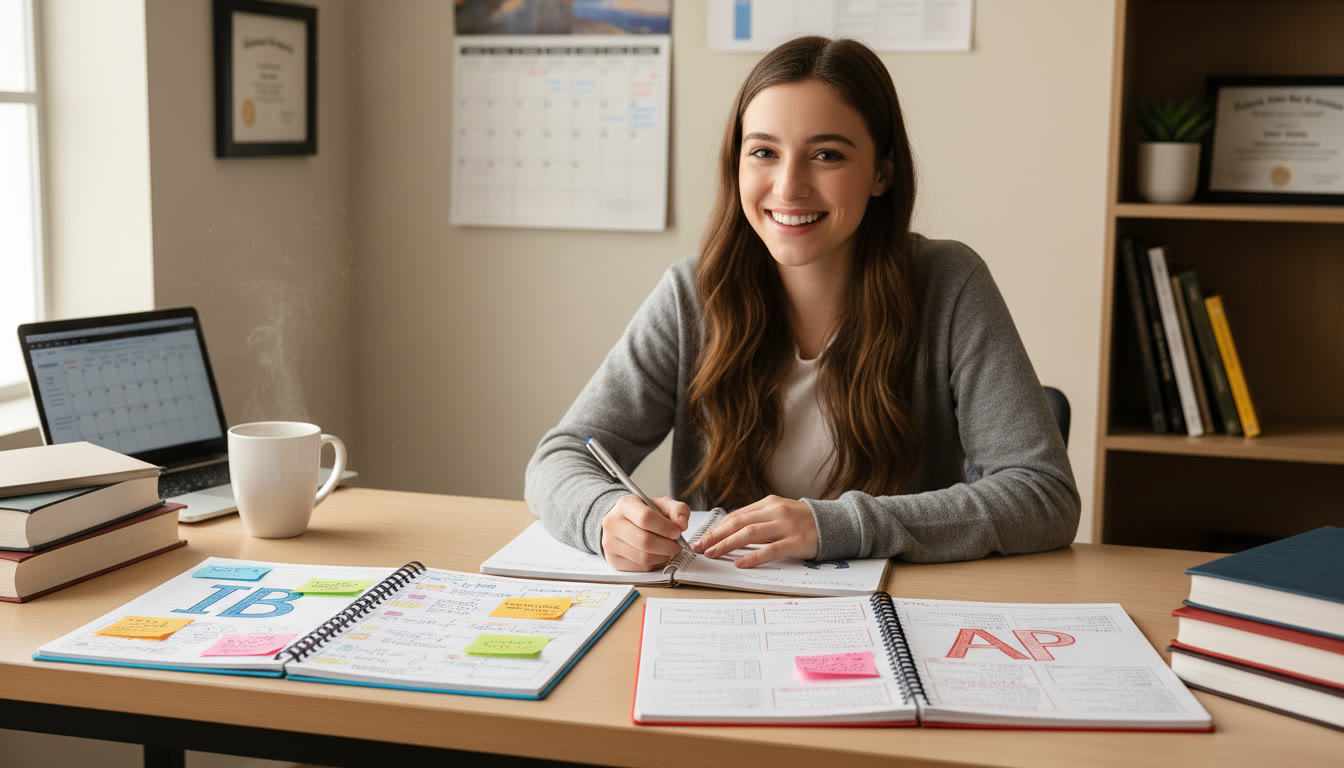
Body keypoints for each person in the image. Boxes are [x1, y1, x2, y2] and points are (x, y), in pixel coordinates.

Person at [525, 36, 1079, 572]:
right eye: (763, 151)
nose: (789, 187)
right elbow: (562, 457)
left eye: (827, 155)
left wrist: (833, 526)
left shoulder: (949, 284)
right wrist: (604, 519)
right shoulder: (693, 294)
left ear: (882, 172)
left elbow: (1043, 496)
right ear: (736, 164)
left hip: (898, 617)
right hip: (720, 614)